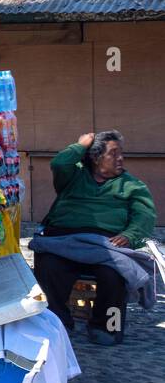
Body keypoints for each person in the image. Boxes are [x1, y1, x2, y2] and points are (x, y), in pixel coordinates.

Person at [32, 130, 158, 346]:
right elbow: (59, 163)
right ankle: (58, 322)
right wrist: (81, 145)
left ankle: (109, 327)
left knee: (117, 275)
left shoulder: (133, 185)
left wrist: (129, 235)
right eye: (113, 154)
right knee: (48, 265)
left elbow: (145, 216)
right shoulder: (73, 177)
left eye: (122, 153)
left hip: (105, 245)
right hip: (64, 239)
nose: (120, 159)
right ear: (95, 157)